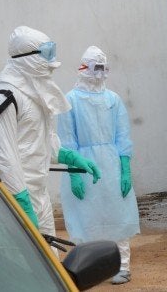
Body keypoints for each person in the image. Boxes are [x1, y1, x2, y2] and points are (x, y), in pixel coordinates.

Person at [0, 26, 101, 241]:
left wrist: (69, 157)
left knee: (51, 264)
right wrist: (20, 201)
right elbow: (4, 155)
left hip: (39, 194)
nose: (51, 63)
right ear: (27, 59)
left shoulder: (34, 94)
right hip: (17, 198)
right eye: (46, 54)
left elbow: (42, 139)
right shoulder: (4, 97)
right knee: (24, 266)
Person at [58, 46, 140, 285]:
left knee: (118, 213)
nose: (100, 73)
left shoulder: (113, 100)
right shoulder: (70, 101)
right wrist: (74, 173)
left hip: (112, 164)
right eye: (97, 67)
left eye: (103, 68)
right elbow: (67, 139)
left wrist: (125, 169)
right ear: (83, 68)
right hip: (82, 164)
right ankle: (86, 268)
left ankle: (122, 266)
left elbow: (123, 136)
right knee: (85, 216)